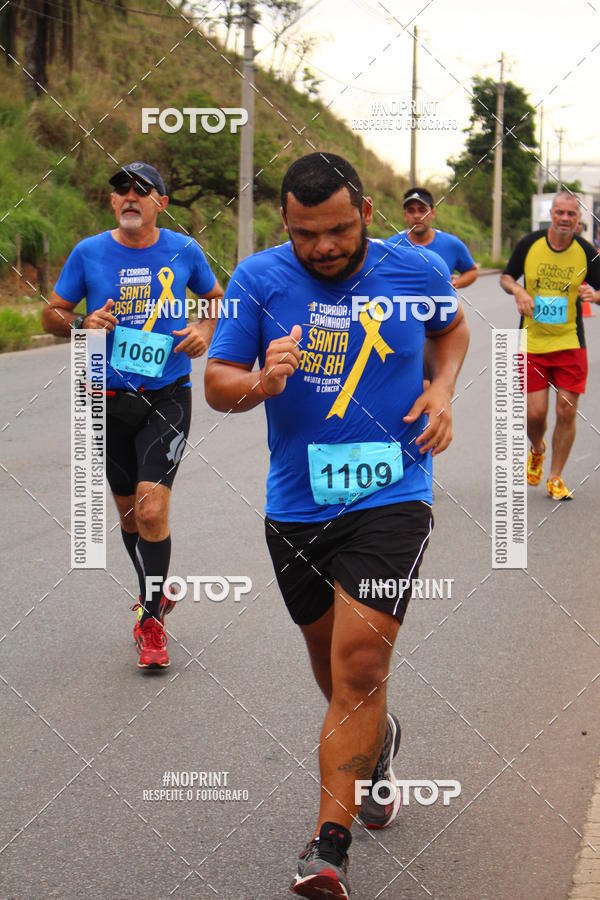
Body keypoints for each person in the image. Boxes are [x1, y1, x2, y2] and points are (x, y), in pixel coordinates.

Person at [204, 153, 469, 897]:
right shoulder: (258, 281)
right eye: (304, 234)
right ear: (286, 224)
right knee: (334, 673)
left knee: (358, 665)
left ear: (365, 215)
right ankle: (376, 746)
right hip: (296, 507)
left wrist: (442, 390)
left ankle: (328, 847)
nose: (322, 247)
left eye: (337, 231)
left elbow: (451, 334)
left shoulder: (415, 271)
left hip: (393, 492)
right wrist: (261, 378)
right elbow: (218, 386)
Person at [42, 161, 223, 668]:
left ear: (160, 203)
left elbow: (214, 299)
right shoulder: (88, 252)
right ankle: (155, 591)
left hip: (166, 394)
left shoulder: (184, 251)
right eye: (120, 188)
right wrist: (82, 321)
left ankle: (151, 621)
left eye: (141, 190)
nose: (128, 196)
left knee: (150, 508)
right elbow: (52, 313)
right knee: (127, 513)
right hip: (104, 397)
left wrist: (204, 334)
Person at [500, 190, 600, 500]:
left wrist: (595, 296)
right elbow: (505, 277)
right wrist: (518, 291)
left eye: (571, 214)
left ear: (578, 219)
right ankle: (537, 448)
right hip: (533, 343)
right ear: (551, 214)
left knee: (566, 411)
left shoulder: (587, 252)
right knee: (535, 414)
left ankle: (555, 477)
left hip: (570, 342)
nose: (565, 219)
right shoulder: (529, 244)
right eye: (560, 213)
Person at [387, 187, 478, 289]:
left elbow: (472, 271)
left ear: (432, 213)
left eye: (422, 210)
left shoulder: (452, 244)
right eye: (411, 211)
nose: (417, 215)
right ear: (405, 215)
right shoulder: (391, 246)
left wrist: (456, 282)